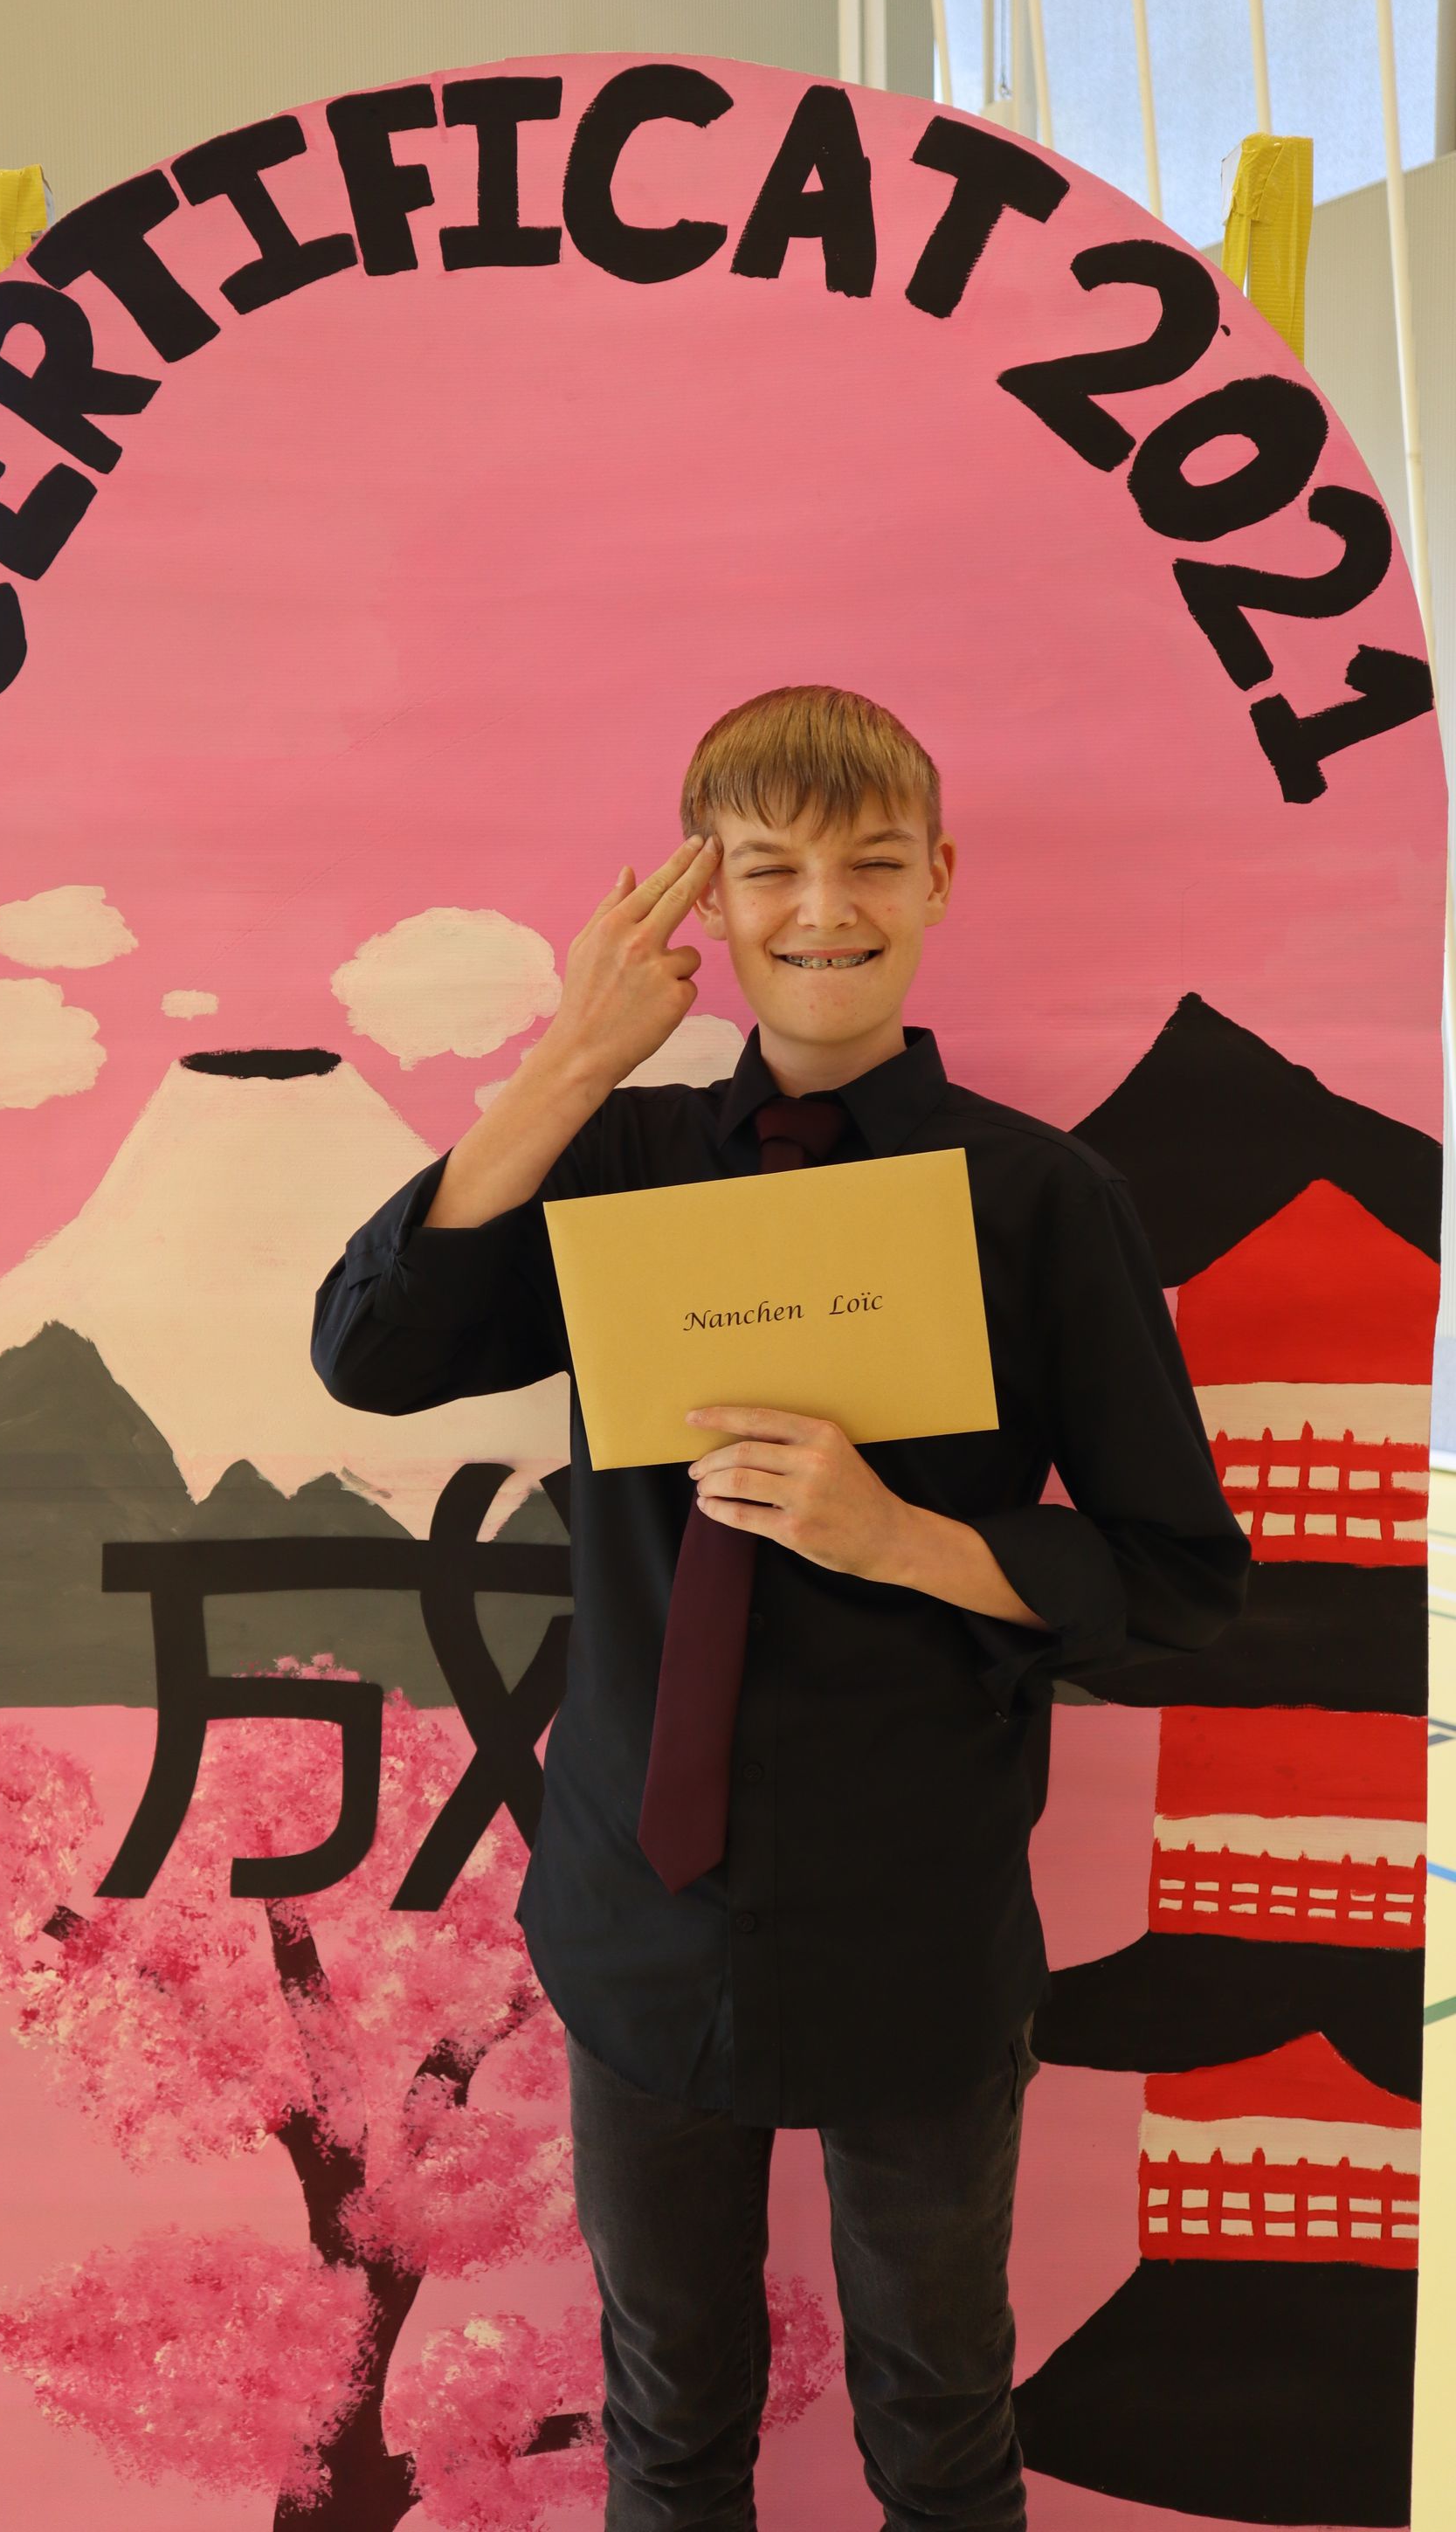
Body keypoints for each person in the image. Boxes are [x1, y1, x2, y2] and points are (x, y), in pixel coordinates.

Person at [311, 684, 1248, 2532]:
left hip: (917, 1914)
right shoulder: (619, 1156)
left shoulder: (1038, 1195)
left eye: (872, 864)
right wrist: (573, 1060)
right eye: (769, 872)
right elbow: (372, 1353)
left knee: (940, 2417)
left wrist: (902, 1538)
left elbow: (1180, 1582)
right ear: (705, 900)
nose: (826, 910)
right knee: (668, 2418)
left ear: (939, 877)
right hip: (639, 1913)